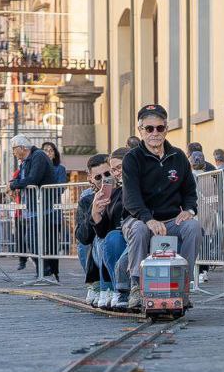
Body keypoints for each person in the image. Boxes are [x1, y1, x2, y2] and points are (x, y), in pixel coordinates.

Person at [118, 104, 201, 311]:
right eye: (149, 128)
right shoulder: (132, 159)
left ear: (166, 129)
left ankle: (184, 286)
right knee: (138, 230)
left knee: (193, 227)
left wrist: (188, 210)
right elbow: (131, 198)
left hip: (172, 219)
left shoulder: (179, 156)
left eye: (159, 128)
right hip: (139, 218)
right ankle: (137, 286)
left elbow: (190, 191)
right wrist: (148, 219)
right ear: (140, 130)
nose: (154, 133)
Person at [76, 154, 129, 309]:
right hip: (97, 249)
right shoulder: (87, 198)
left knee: (108, 237)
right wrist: (94, 212)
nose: (105, 179)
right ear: (91, 179)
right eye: (98, 177)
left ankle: (111, 287)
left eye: (107, 174)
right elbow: (83, 236)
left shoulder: (124, 191)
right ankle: (98, 285)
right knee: (90, 241)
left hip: (119, 244)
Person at [8, 133, 59, 280]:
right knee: (31, 239)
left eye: (14, 149)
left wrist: (13, 185)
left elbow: (33, 179)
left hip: (42, 206)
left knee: (32, 238)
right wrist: (13, 184)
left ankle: (44, 268)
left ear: (22, 148)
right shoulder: (25, 160)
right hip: (33, 207)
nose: (13, 153)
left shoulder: (38, 156)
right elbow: (20, 178)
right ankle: (43, 269)